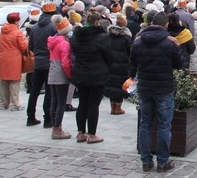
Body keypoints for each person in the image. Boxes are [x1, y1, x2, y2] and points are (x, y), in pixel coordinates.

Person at [130, 11, 184, 173]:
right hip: (164, 88)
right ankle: (162, 161)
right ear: (166, 25)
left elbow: (132, 66)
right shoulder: (170, 44)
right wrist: (177, 48)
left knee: (145, 124)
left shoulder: (138, 43)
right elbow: (179, 65)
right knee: (163, 125)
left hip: (145, 87)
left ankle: (146, 161)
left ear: (151, 22)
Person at [71, 11, 113, 143]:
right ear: (97, 22)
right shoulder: (102, 37)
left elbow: (74, 52)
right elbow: (109, 56)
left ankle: (81, 132)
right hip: (97, 73)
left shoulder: (77, 36)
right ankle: (92, 134)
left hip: (81, 72)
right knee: (94, 105)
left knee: (82, 103)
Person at [27, 1, 58, 127]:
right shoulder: (53, 27)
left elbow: (31, 46)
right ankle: (48, 119)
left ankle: (30, 117)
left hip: (38, 62)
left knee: (34, 90)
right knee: (49, 91)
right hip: (49, 61)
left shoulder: (34, 27)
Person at [47, 15, 73, 139]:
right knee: (61, 103)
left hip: (52, 73)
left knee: (54, 102)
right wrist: (70, 75)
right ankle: (57, 129)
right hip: (61, 74)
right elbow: (66, 62)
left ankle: (55, 126)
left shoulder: (53, 41)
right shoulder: (64, 44)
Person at [0, 12, 29, 111]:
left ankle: (3, 103)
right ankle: (14, 104)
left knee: (4, 81)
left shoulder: (2, 30)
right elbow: (23, 47)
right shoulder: (18, 32)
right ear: (16, 21)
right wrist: (27, 40)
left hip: (3, 57)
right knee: (14, 81)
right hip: (14, 58)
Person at [105, 14, 133, 115]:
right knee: (120, 86)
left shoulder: (109, 36)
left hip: (110, 63)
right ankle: (118, 107)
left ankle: (112, 106)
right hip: (122, 65)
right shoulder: (126, 38)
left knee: (112, 84)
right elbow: (131, 52)